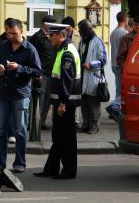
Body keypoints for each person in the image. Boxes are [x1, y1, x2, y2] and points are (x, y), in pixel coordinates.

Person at [0, 19, 42, 173]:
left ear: (21, 31)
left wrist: (19, 68)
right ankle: (0, 162)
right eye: (8, 32)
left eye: (14, 33)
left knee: (20, 130)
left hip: (20, 95)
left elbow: (37, 72)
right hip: (2, 93)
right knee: (0, 130)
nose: (10, 36)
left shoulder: (30, 49)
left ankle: (20, 163)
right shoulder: (3, 46)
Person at [34, 22, 81, 179]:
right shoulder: (62, 49)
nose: (49, 39)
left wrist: (62, 103)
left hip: (65, 103)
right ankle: (51, 169)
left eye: (51, 36)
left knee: (66, 138)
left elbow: (67, 81)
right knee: (58, 137)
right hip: (61, 102)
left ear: (60, 35)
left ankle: (68, 171)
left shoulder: (66, 52)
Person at [77, 19, 107, 134]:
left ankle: (94, 125)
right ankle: (85, 124)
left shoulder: (98, 42)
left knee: (93, 103)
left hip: (93, 76)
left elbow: (103, 60)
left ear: (85, 30)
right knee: (84, 101)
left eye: (80, 30)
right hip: (83, 76)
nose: (79, 32)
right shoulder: (82, 41)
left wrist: (91, 65)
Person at [29, 15, 56, 131]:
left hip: (52, 73)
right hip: (41, 73)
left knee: (47, 100)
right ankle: (34, 122)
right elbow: (32, 56)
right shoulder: (37, 37)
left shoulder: (53, 36)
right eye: (52, 24)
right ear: (45, 24)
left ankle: (42, 122)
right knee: (39, 98)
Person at [105, 12, 129, 122]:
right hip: (120, 64)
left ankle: (116, 109)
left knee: (118, 87)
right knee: (122, 89)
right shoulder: (124, 33)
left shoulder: (113, 32)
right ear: (125, 19)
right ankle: (115, 106)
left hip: (114, 63)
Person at [61, 16, 82, 130]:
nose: (67, 31)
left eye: (68, 29)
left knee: (74, 95)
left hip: (76, 71)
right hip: (65, 69)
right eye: (65, 29)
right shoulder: (61, 36)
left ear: (73, 29)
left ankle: (76, 120)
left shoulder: (79, 38)